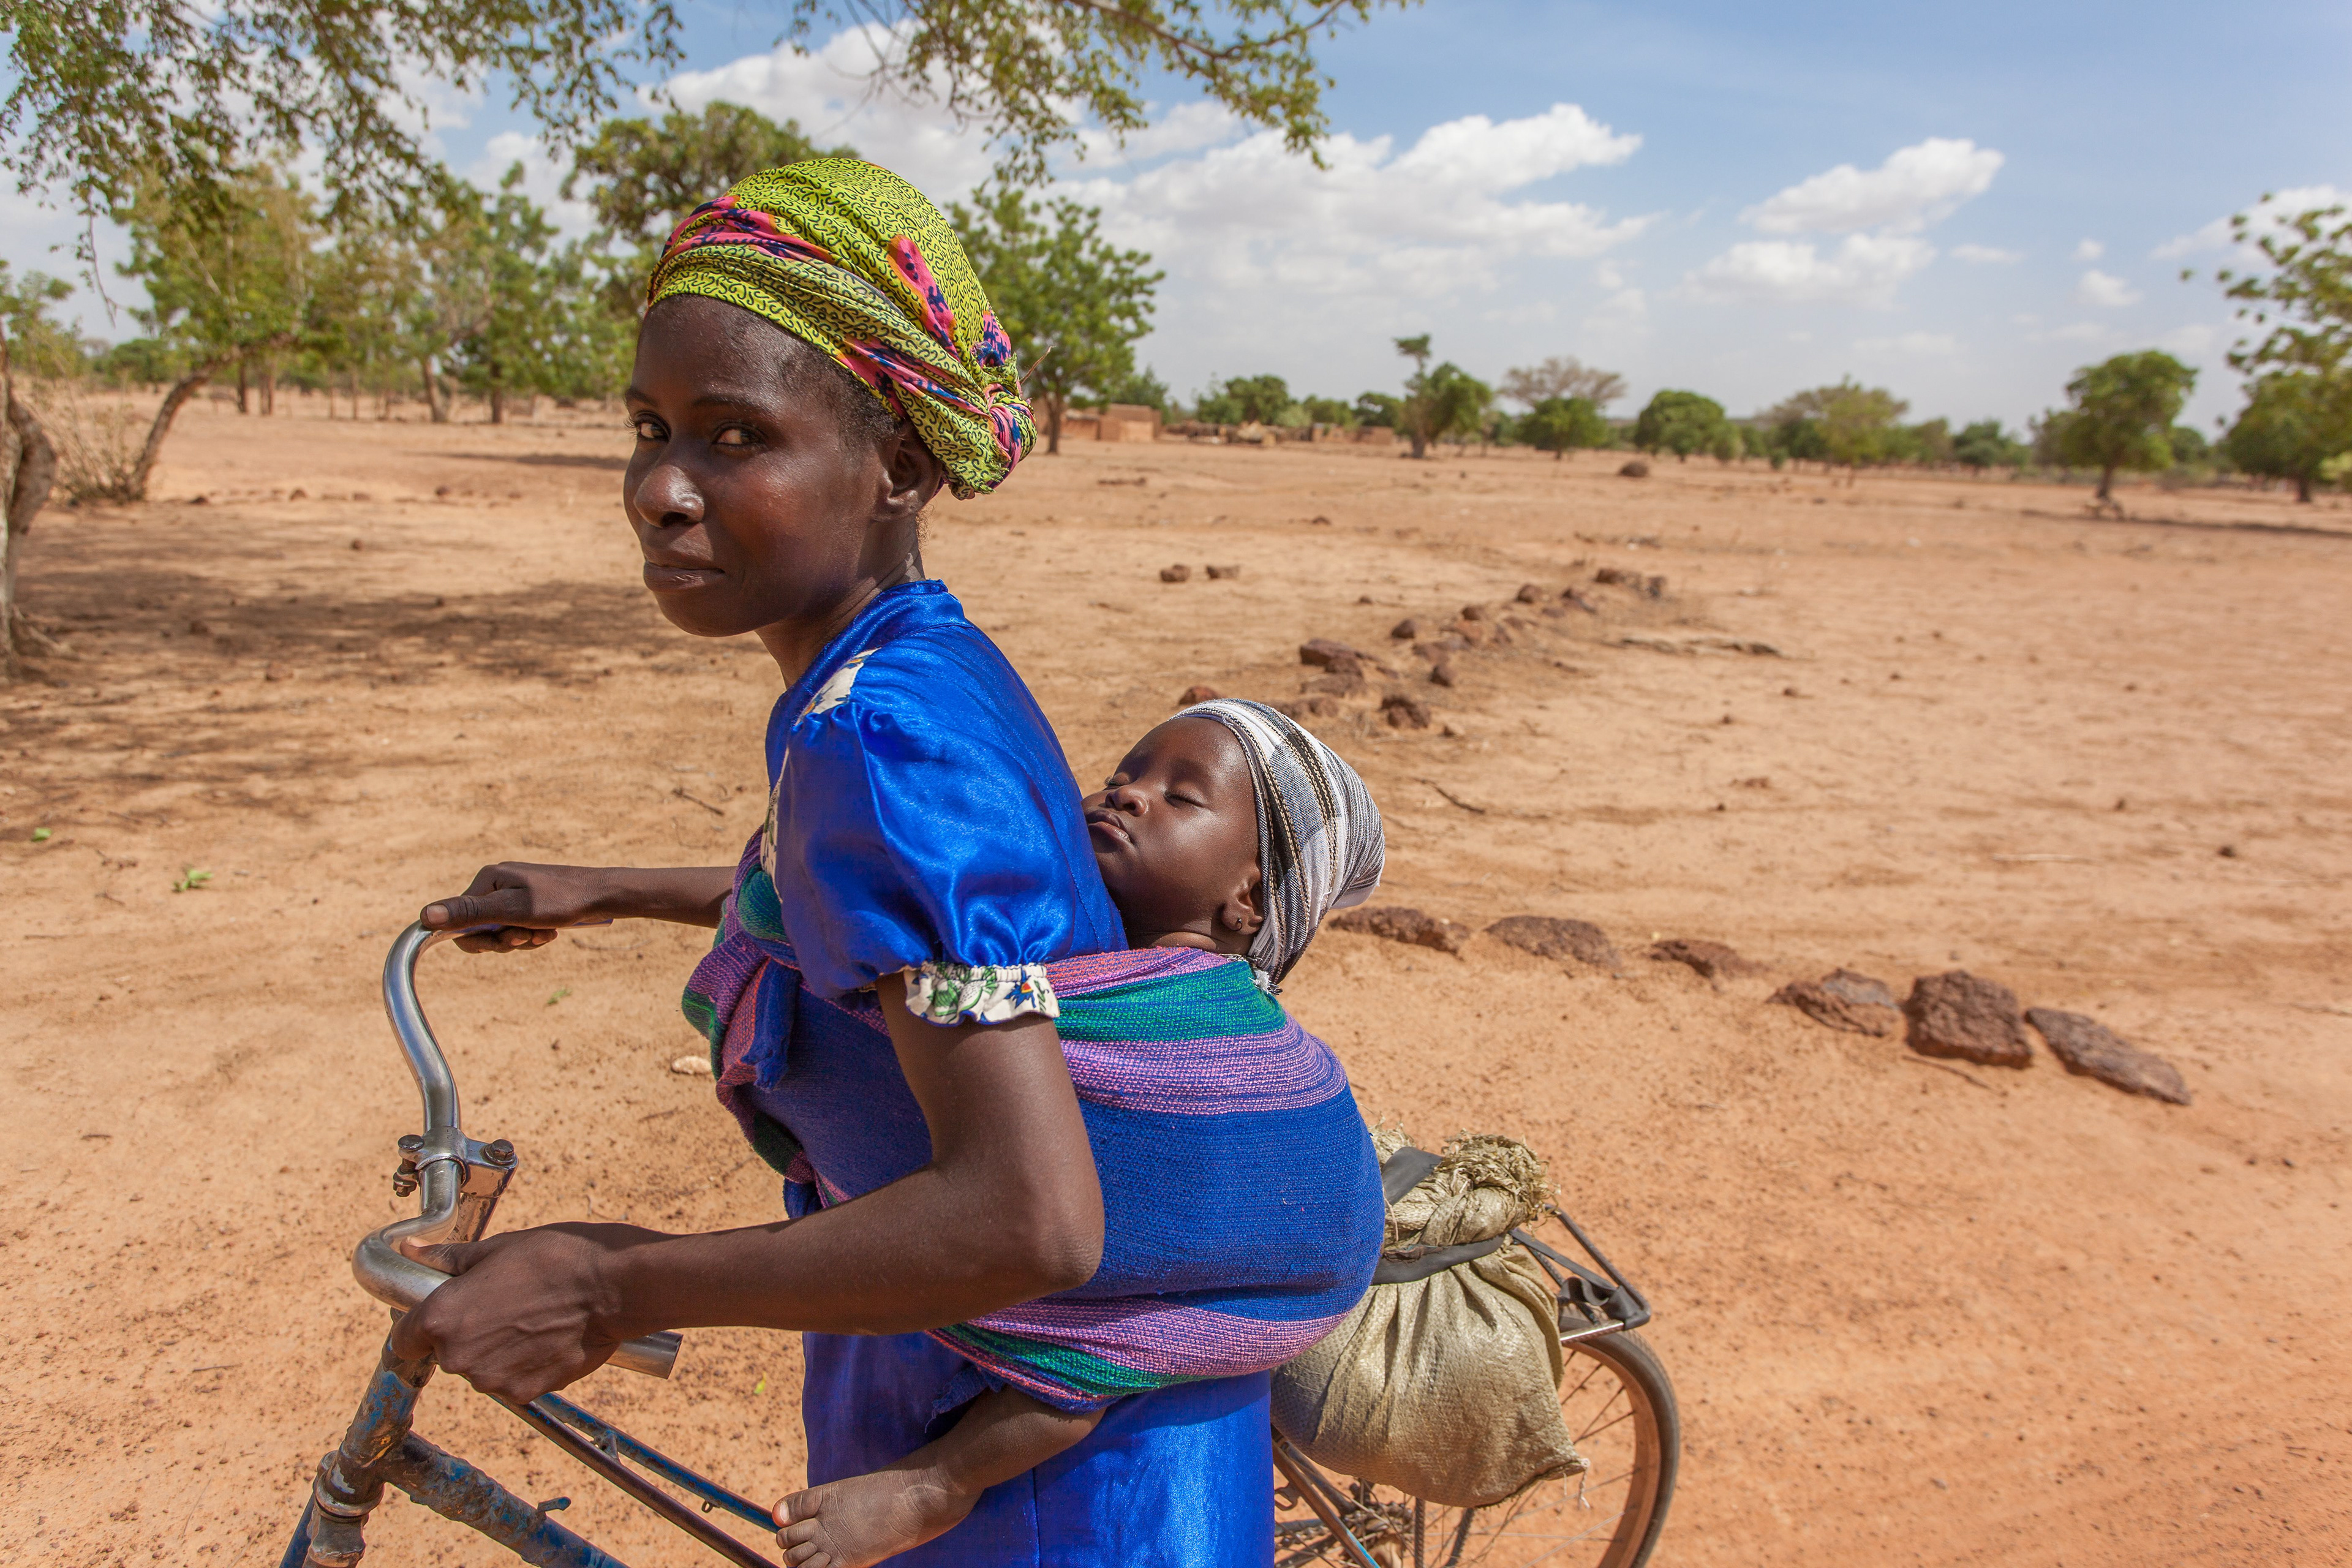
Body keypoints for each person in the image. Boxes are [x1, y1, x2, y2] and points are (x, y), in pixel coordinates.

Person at [402, 160, 1381, 1568]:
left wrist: (613, 1280)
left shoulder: (880, 737)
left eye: (734, 436)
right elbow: (914, 935)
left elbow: (1028, 1215)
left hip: (1036, 1468)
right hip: (1023, 1394)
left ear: (900, 465)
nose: (659, 490)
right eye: (648, 427)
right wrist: (601, 885)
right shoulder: (919, 668)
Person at [769, 699, 1387, 1567]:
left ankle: (936, 1482)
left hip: (1117, 1478)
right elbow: (882, 939)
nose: (1127, 795)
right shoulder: (1050, 959)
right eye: (1123, 775)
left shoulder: (1214, 1054)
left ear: (1247, 894)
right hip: (901, 1370)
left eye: (1181, 795)